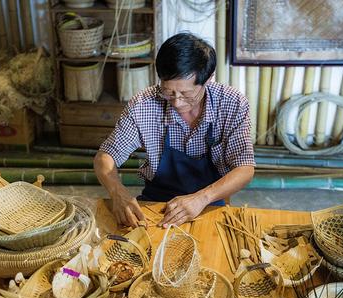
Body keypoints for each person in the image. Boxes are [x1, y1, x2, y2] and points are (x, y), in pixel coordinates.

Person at [94, 32, 255, 228]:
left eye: (186, 94)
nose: (177, 102)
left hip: (210, 202)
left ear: (208, 79)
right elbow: (106, 155)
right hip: (157, 203)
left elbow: (245, 168)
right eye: (168, 91)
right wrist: (117, 192)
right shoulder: (143, 104)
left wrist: (201, 198)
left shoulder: (232, 102)